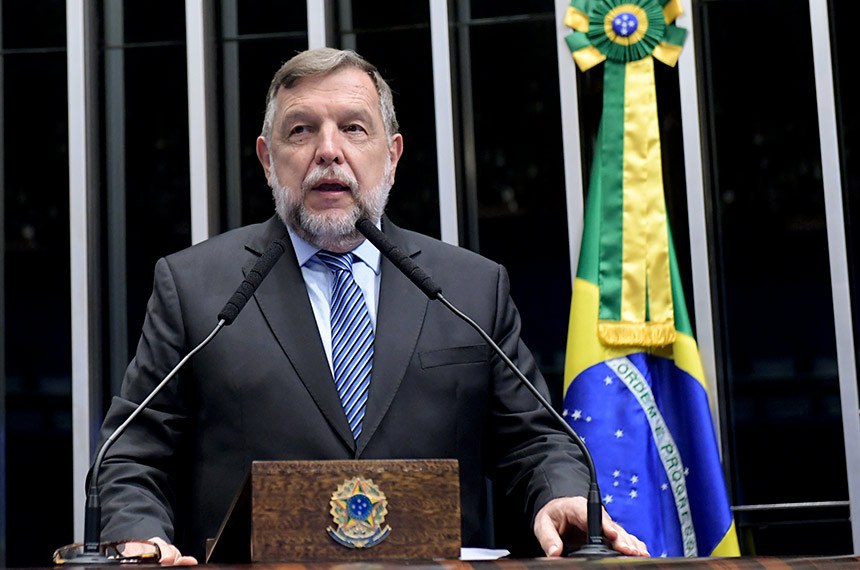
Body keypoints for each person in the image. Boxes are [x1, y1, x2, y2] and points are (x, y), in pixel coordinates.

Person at [95, 47, 648, 565]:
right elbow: (132, 452)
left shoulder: (469, 288)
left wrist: (560, 494)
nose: (328, 150)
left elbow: (535, 440)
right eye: (301, 130)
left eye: (354, 128)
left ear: (393, 155)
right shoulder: (197, 288)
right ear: (267, 159)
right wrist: (139, 534)